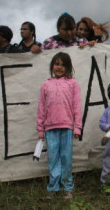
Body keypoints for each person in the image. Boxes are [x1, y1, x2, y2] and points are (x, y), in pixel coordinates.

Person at [36, 52, 82, 199]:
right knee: (52, 158)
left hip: (67, 127)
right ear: (52, 66)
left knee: (66, 158)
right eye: (56, 64)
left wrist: (77, 127)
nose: (59, 67)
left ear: (68, 67)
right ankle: (53, 188)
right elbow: (41, 107)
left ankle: (68, 187)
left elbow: (77, 106)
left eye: (63, 64)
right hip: (50, 128)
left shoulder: (73, 83)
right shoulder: (46, 85)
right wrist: (40, 129)